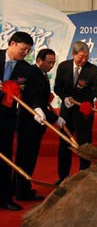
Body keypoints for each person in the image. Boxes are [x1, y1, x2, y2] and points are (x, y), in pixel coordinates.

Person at [53, 41, 97, 185]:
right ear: (73, 54)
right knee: (65, 142)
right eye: (81, 57)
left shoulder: (93, 70)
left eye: (87, 57)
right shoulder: (63, 67)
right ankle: (63, 176)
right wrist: (64, 97)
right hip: (67, 111)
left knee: (84, 143)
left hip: (84, 111)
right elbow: (57, 87)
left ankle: (84, 175)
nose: (84, 60)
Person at [14, 49, 66, 201]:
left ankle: (20, 188)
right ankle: (21, 192)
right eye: (49, 62)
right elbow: (32, 98)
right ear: (39, 60)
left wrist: (54, 117)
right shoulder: (31, 72)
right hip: (29, 123)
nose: (51, 65)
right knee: (25, 159)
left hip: (37, 123)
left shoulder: (41, 74)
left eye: (53, 63)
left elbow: (42, 102)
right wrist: (52, 117)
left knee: (28, 158)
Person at [0, 32, 34, 211]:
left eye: (28, 50)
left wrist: (37, 109)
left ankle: (4, 198)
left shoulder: (25, 69)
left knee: (5, 159)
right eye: (23, 49)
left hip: (6, 119)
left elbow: (27, 94)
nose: (25, 53)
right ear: (12, 44)